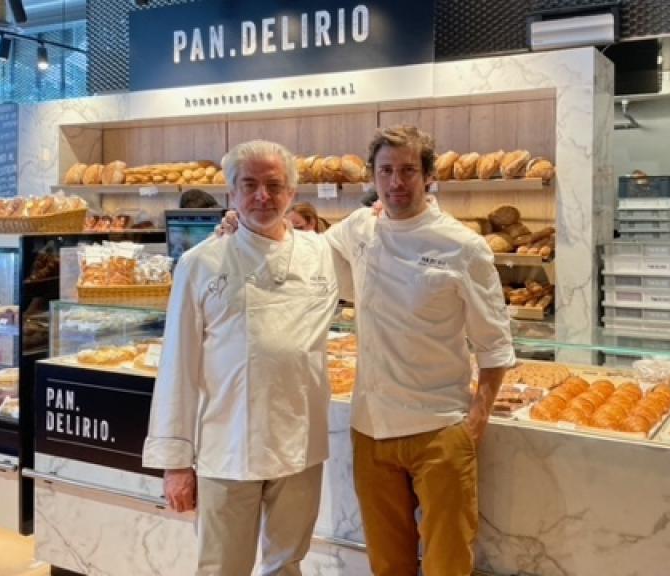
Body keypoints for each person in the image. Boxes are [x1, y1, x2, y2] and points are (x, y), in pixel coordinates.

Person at [219, 125, 514, 575]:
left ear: (429, 177)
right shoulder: (359, 228)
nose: (396, 182)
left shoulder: (462, 246)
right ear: (373, 177)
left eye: (408, 171)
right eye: (386, 171)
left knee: (448, 561)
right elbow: (297, 249)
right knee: (386, 563)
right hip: (371, 431)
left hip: (439, 428)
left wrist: (475, 421)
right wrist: (240, 226)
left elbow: (494, 344)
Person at [143, 140, 341, 576]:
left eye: (274, 185)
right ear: (231, 193)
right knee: (221, 569)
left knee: (287, 563)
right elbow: (177, 367)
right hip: (227, 444)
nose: (262, 196)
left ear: (292, 192)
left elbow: (379, 233)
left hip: (300, 443)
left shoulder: (322, 253)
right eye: (248, 185)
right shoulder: (201, 263)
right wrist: (176, 462)